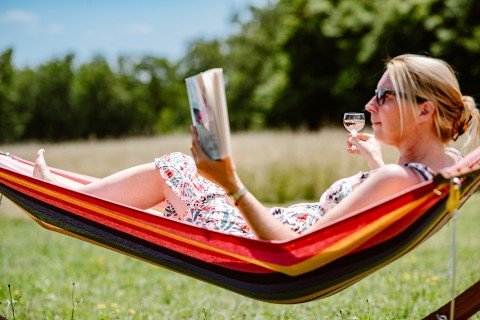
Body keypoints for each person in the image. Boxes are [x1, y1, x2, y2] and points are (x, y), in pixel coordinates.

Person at [33, 54, 479, 241]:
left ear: (424, 111)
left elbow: (289, 248)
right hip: (266, 228)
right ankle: (74, 199)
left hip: (255, 240)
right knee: (162, 194)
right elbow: (404, 178)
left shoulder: (399, 179)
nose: (369, 104)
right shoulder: (448, 167)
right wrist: (375, 160)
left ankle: (62, 204)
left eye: (384, 96)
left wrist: (232, 183)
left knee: (173, 168)